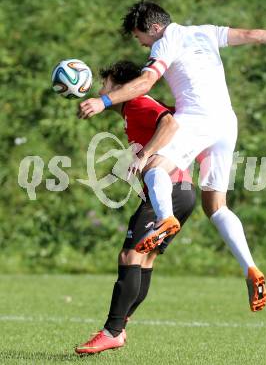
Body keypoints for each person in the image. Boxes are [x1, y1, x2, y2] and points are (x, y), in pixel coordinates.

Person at [78, 0, 266, 313]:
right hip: (226, 123)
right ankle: (250, 268)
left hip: (197, 117)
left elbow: (144, 83)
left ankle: (164, 219)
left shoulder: (165, 42)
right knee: (216, 206)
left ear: (154, 28)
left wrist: (103, 101)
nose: (141, 43)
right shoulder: (205, 32)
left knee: (154, 165)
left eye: (138, 36)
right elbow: (254, 34)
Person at [75, 61, 196, 354]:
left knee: (130, 254)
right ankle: (119, 325)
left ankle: (112, 331)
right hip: (182, 191)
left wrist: (147, 155)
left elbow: (169, 123)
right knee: (144, 260)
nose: (102, 90)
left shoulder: (138, 102)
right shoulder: (133, 110)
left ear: (119, 85)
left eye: (105, 85)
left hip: (169, 189)